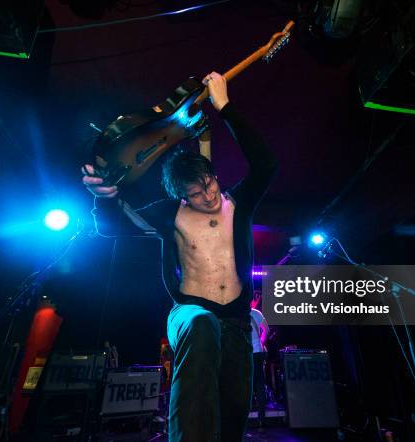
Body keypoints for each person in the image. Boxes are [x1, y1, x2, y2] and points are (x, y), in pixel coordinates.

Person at [82, 71, 277, 441]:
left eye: (211, 184)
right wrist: (103, 197)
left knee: (233, 415)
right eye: (198, 194)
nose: (209, 196)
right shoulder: (169, 215)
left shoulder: (237, 204)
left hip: (235, 322)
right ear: (182, 196)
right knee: (202, 323)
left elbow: (266, 165)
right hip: (188, 313)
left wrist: (226, 108)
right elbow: (114, 226)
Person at [249, 291, 269, 429]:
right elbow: (266, 330)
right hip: (258, 352)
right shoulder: (256, 313)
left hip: (246, 354)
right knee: (260, 385)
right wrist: (261, 341)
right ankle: (262, 419)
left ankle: (246, 415)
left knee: (246, 384)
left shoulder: (239, 315)